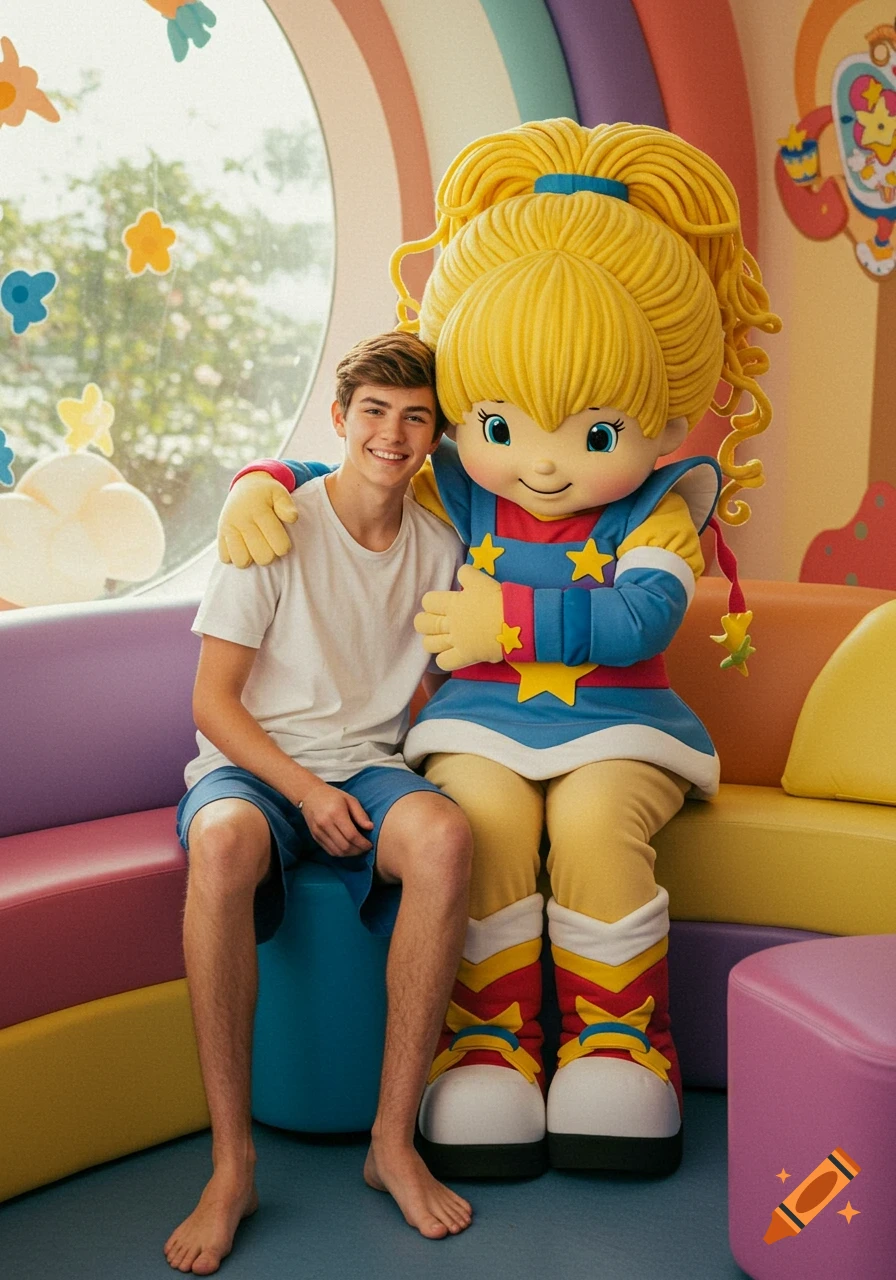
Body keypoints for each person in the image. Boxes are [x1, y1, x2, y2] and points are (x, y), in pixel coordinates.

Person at [217, 119, 781, 1181]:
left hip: (622, 729)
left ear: (655, 418)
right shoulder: (458, 485)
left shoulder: (655, 511)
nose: (548, 464)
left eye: (594, 434)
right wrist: (262, 480)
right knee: (477, 818)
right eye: (505, 424)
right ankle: (486, 1042)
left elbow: (642, 621)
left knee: (589, 817)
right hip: (480, 725)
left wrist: (502, 626)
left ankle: (620, 1042)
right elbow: (357, 459)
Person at [164, 332, 474, 1277]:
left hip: (367, 767)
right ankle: (233, 1166)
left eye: (415, 417)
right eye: (375, 411)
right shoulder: (272, 522)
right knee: (221, 848)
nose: (393, 432)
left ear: (434, 438)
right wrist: (304, 790)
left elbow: (413, 683)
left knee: (448, 838)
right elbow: (211, 702)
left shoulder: (442, 546)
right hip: (256, 770)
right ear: (340, 420)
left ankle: (392, 1143)